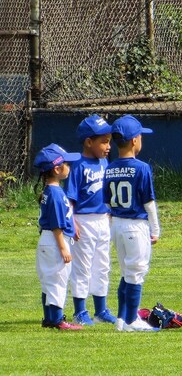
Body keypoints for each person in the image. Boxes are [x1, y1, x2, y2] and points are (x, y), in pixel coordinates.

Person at [103, 114, 160, 332]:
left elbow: (107, 202)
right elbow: (149, 202)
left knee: (126, 272)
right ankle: (131, 320)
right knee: (136, 272)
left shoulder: (109, 168)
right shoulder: (141, 167)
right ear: (135, 140)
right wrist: (155, 230)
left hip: (116, 223)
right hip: (136, 225)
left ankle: (121, 318)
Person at [64, 114, 117, 326]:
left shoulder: (105, 162)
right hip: (83, 221)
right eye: (103, 141)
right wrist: (72, 222)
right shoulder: (78, 164)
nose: (108, 146)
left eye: (109, 141)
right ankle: (80, 310)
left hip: (103, 219)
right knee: (83, 266)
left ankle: (101, 309)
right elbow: (70, 198)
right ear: (88, 142)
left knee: (102, 265)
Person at [34, 143, 83, 330]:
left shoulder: (50, 190)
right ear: (56, 168)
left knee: (49, 281)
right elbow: (56, 223)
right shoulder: (55, 192)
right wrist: (63, 247)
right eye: (66, 164)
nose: (69, 168)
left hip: (47, 242)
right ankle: (57, 320)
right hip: (55, 242)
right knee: (57, 280)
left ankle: (49, 318)